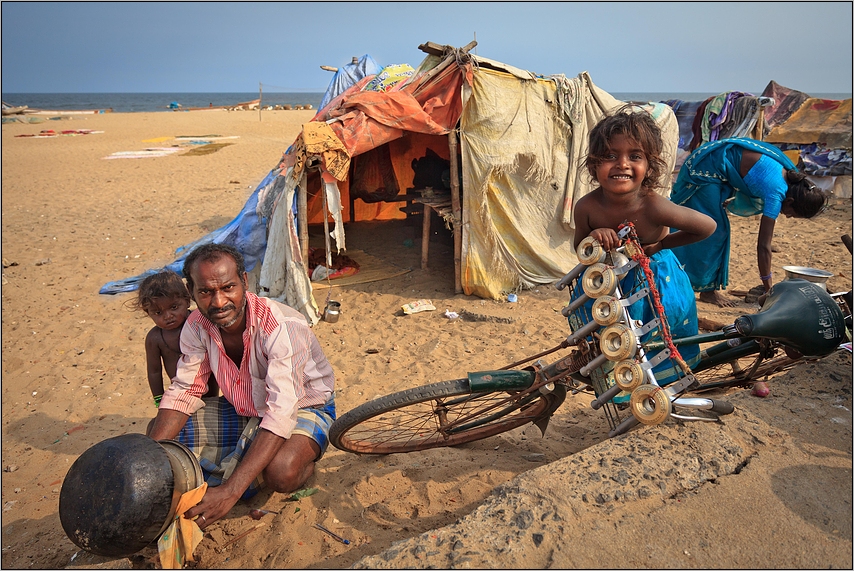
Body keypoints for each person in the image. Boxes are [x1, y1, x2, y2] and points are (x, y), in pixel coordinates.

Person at [147, 243, 336, 529]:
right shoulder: (197, 325)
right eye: (206, 292)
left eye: (228, 288)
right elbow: (184, 391)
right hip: (245, 408)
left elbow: (282, 412)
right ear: (191, 291)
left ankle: (303, 458)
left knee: (282, 473)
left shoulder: (281, 327)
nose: (219, 302)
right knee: (157, 441)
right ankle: (251, 459)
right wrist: (148, 462)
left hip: (305, 407)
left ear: (245, 282)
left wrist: (230, 492)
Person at [573, 105, 716, 387]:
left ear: (649, 166)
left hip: (655, 281)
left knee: (658, 336)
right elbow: (579, 245)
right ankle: (616, 380)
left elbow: (706, 226)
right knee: (613, 337)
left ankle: (658, 385)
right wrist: (594, 236)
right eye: (610, 156)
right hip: (609, 282)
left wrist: (660, 244)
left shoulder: (652, 205)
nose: (622, 164)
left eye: (634, 156)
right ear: (593, 165)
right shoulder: (587, 207)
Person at [670, 137, 828, 307]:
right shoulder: (776, 193)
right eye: (791, 214)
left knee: (715, 227)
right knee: (713, 230)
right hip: (705, 167)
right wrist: (769, 288)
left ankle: (701, 285)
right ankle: (697, 287)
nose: (787, 216)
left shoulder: (790, 177)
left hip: (719, 165)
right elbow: (763, 246)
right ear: (789, 201)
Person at [127, 271, 218, 414]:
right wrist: (159, 399)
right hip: (180, 393)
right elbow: (154, 371)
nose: (168, 316)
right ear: (147, 312)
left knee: (211, 411)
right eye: (158, 313)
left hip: (210, 389)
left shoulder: (200, 322)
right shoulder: (154, 338)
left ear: (187, 300)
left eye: (174, 307)